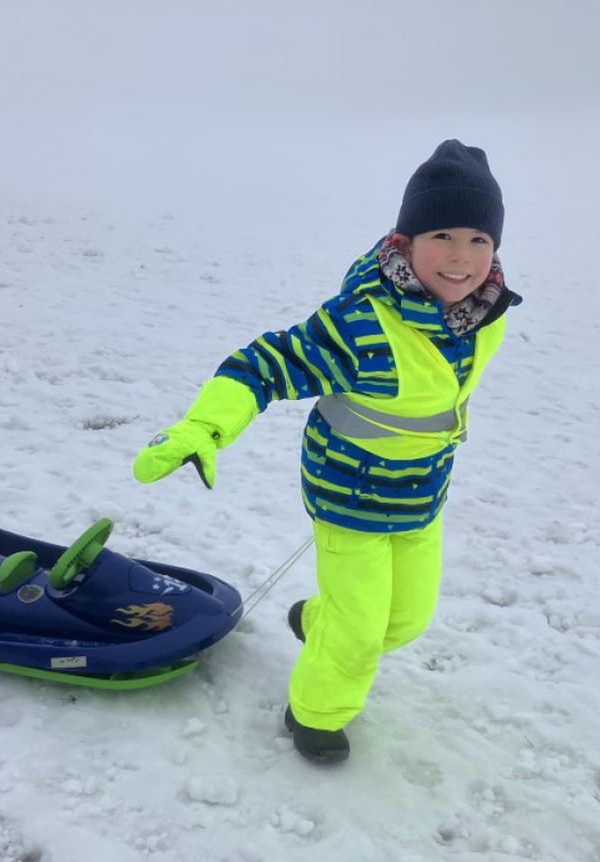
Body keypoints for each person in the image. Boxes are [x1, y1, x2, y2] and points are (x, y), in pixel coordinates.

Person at [133, 140, 521, 764]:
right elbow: (264, 363)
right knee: (360, 630)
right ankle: (314, 714)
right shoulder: (360, 324)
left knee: (407, 621)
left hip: (423, 494)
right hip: (350, 495)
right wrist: (202, 428)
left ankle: (316, 621)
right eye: (442, 235)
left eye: (479, 239)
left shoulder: (484, 315)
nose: (461, 257)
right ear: (406, 241)